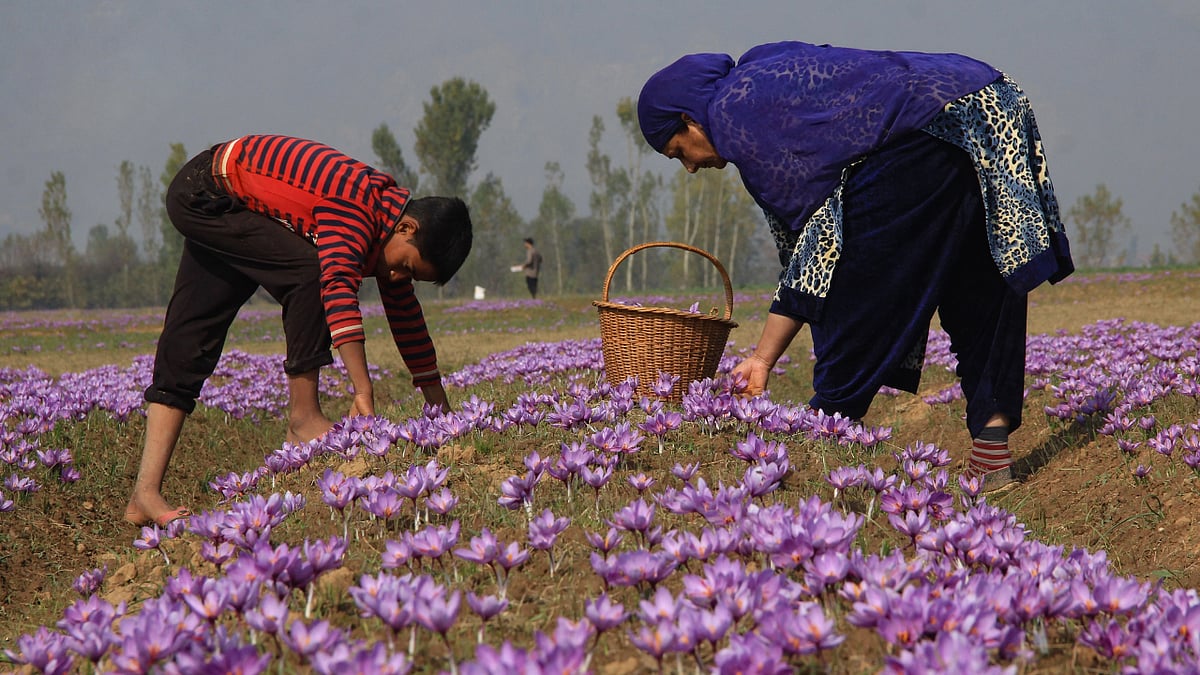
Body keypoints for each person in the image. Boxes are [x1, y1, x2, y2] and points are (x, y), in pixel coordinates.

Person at [638, 41, 1074, 490]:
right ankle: (991, 448)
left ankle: (824, 431)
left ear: (691, 120)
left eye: (678, 151)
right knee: (975, 279)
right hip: (988, 104)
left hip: (928, 126)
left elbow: (820, 241)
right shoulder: (756, 79)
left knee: (857, 283)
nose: (689, 167)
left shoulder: (734, 116)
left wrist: (763, 358)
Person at [124, 134, 473, 527]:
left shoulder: (388, 230)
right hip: (208, 192)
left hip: (233, 204)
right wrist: (361, 389)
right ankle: (304, 418)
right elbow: (337, 284)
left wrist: (439, 409)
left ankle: (144, 494)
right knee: (310, 272)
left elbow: (408, 320)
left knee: (192, 337)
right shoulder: (359, 207)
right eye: (405, 267)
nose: (394, 277)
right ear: (407, 226)